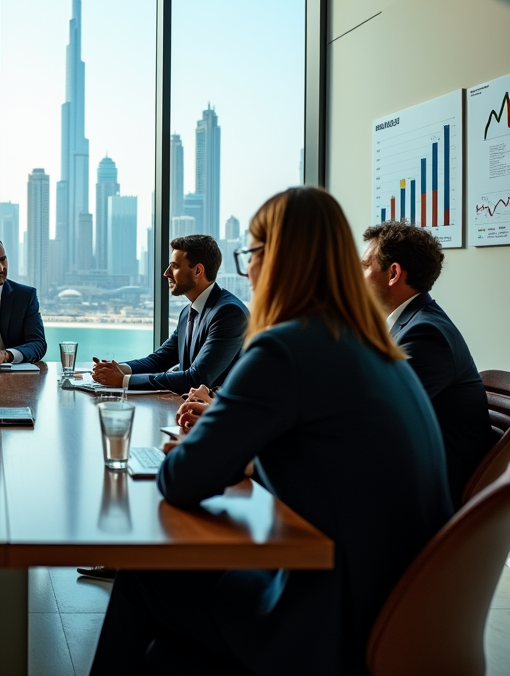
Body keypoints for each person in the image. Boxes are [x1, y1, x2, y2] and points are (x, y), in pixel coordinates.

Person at [90, 187, 452, 676]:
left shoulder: (285, 347)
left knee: (145, 576)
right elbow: (328, 456)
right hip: (399, 608)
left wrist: (220, 438)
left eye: (251, 254)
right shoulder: (372, 346)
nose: (248, 269)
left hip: (327, 619)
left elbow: (181, 480)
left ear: (276, 259)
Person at [362, 221, 495, 503]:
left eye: (364, 266)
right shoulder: (410, 325)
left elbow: (374, 418)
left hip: (424, 495)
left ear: (393, 273)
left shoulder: (425, 334)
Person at [91, 234, 248, 392]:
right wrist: (115, 369)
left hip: (220, 413)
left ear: (198, 270)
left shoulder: (229, 313)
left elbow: (196, 379)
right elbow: (158, 360)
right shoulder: (187, 313)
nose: (166, 273)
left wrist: (124, 381)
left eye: (175, 266)